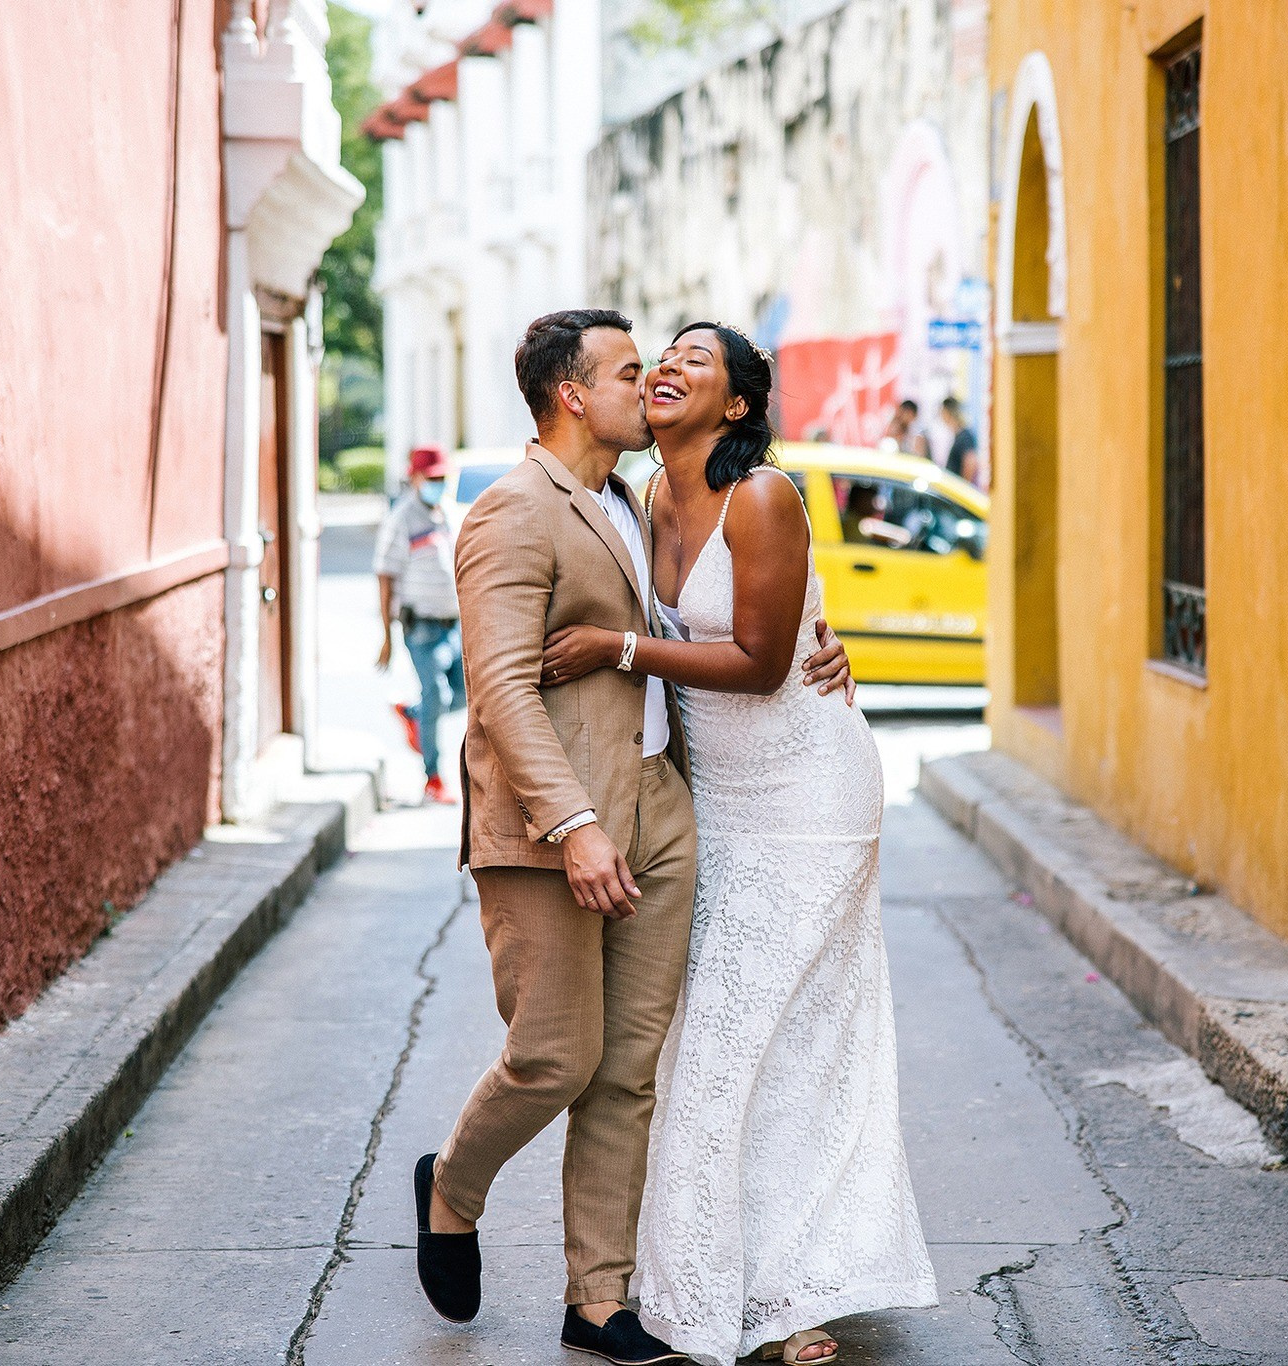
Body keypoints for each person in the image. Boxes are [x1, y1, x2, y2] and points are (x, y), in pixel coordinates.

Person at [411, 310, 854, 1366]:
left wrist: (822, 647)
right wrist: (570, 824)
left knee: (629, 1070)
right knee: (555, 1055)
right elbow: (502, 690)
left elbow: (734, 618)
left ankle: (596, 1298)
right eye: (625, 368)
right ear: (573, 395)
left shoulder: (632, 495)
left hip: (661, 805)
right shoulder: (510, 512)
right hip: (550, 826)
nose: (645, 377)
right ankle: (450, 1187)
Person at [542, 323, 937, 1365]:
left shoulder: (760, 494)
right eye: (658, 355)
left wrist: (619, 644)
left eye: (693, 361)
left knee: (750, 1042)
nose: (665, 367)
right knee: (726, 1043)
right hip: (712, 797)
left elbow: (764, 660)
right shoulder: (640, 499)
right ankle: (750, 1273)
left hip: (809, 796)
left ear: (733, 408)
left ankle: (771, 1293)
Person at [374, 445, 465, 804]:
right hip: (421, 628)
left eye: (443, 478)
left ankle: (413, 714)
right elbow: (385, 577)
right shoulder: (402, 519)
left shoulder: (447, 515)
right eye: (432, 479)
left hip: (454, 626)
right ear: (414, 478)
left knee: (463, 696)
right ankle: (433, 779)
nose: (438, 484)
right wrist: (386, 636)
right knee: (437, 695)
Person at [940, 395, 980, 485]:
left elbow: (970, 462)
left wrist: (964, 487)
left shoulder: (964, 436)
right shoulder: (958, 436)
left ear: (947, 412)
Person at [880, 397, 930, 462]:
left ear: (910, 413)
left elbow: (920, 457)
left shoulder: (918, 433)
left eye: (903, 412)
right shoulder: (902, 428)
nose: (900, 416)